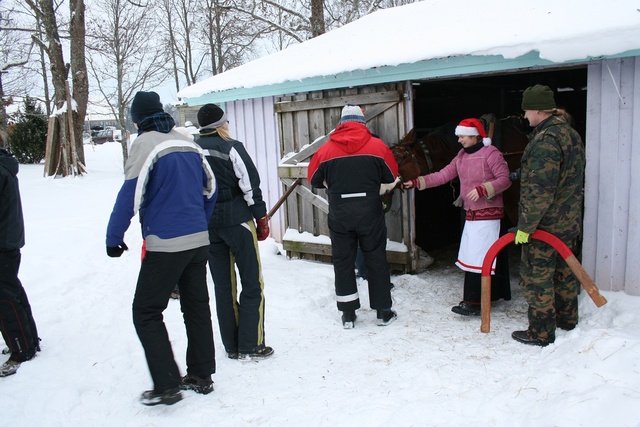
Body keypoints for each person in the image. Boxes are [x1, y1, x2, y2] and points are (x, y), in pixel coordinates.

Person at [105, 91, 218, 405]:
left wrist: (113, 237)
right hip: (197, 242)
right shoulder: (187, 142)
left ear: (138, 119)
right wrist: (199, 223)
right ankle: (201, 375)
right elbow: (212, 190)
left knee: (146, 311)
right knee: (196, 307)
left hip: (166, 244)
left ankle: (167, 384)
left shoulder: (144, 143)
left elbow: (130, 194)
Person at [403, 118, 512, 316]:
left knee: (481, 257)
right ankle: (480, 298)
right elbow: (442, 175)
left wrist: (483, 189)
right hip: (471, 214)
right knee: (473, 255)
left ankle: (474, 302)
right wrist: (417, 182)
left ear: (474, 136)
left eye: (462, 136)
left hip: (489, 216)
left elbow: (505, 179)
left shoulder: (491, 153)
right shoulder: (461, 156)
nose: (459, 140)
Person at [308, 104, 399, 329]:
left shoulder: (325, 150)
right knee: (376, 258)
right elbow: (391, 174)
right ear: (362, 122)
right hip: (369, 210)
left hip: (340, 212)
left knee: (343, 261)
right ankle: (383, 312)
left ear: (340, 123)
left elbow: (314, 180)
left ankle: (348, 314)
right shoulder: (377, 146)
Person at [195, 104, 274, 361]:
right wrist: (260, 217)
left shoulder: (192, 149)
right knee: (252, 283)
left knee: (223, 287)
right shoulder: (231, 147)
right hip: (238, 223)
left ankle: (231, 345)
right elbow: (250, 184)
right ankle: (251, 344)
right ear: (221, 124)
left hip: (208, 226)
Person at [511, 84, 585, 347]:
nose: (525, 116)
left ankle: (540, 333)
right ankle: (567, 319)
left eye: (527, 110)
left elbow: (540, 191)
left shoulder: (545, 140)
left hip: (545, 226)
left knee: (537, 276)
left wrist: (525, 227)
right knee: (564, 272)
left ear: (539, 110)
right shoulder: (570, 134)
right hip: (568, 222)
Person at [0, 148, 40, 377]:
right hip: (8, 241)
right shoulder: (5, 164)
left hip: (3, 243)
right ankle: (28, 341)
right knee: (12, 292)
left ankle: (21, 348)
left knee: (5, 298)